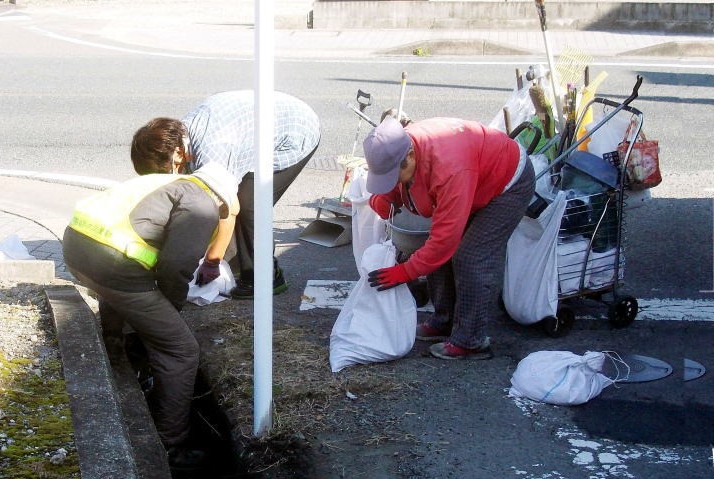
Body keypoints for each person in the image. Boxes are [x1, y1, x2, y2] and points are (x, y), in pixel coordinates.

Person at [62, 167, 238, 468]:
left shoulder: (166, 182)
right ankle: (170, 447)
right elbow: (176, 266)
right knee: (180, 350)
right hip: (113, 265)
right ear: (224, 203)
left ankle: (118, 350)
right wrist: (171, 309)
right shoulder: (202, 205)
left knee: (124, 295)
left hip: (77, 251)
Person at [362, 117, 534, 360]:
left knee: (471, 256)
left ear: (410, 155)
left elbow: (444, 241)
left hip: (506, 183)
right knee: (436, 252)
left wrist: (405, 271)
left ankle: (471, 341)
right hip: (474, 175)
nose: (395, 180)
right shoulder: (399, 145)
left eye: (394, 175)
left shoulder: (450, 166)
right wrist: (389, 194)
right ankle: (444, 321)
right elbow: (400, 174)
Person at [130, 90, 321, 299]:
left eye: (164, 170)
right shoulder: (178, 139)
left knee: (249, 205)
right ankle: (236, 262)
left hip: (293, 132)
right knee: (218, 193)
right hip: (254, 126)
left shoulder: (213, 151)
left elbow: (228, 209)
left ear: (176, 153)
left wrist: (212, 262)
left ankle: (263, 278)